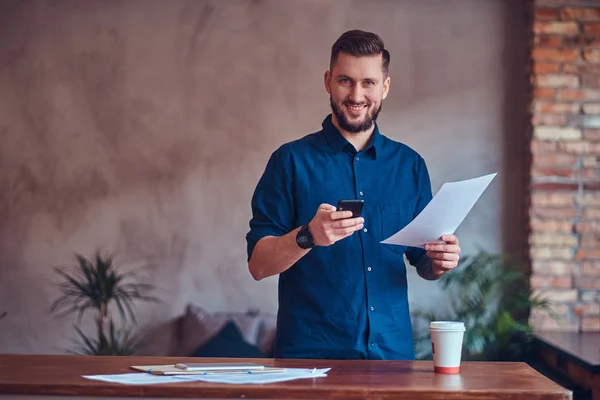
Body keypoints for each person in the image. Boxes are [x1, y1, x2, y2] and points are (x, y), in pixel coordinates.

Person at [246, 30, 461, 360]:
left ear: (385, 87)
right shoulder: (290, 162)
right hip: (310, 362)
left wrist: (440, 261)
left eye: (369, 83)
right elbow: (258, 264)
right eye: (346, 81)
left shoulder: (410, 166)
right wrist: (307, 236)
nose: (357, 94)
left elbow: (423, 262)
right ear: (328, 81)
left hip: (393, 360)